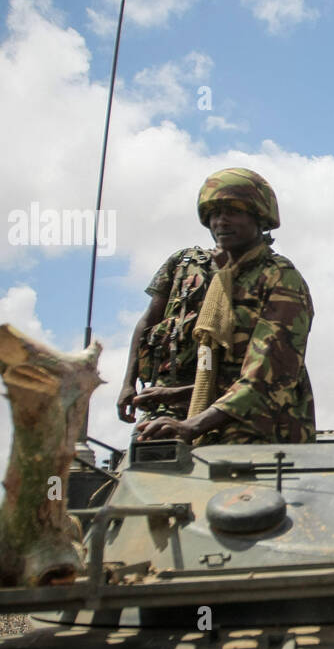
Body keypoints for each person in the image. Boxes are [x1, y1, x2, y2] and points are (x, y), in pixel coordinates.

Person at [118, 167, 316, 445]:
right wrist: (167, 395)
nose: (221, 221)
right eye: (215, 213)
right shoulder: (190, 266)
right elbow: (150, 321)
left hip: (259, 430)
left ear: (260, 217)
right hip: (202, 417)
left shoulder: (281, 279)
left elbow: (266, 378)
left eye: (234, 211)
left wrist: (191, 426)